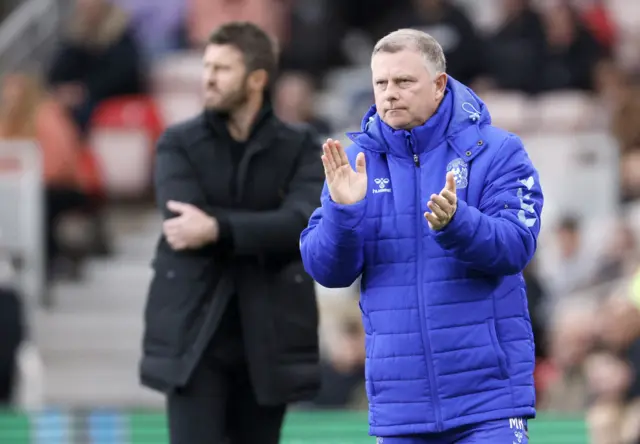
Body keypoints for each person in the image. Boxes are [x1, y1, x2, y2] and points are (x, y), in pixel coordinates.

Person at [300, 29, 544, 443]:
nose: (389, 93)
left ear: (438, 85)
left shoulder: (498, 151)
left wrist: (457, 225)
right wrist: (343, 214)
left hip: (488, 405)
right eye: (381, 83)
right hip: (400, 410)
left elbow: (516, 246)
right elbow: (328, 271)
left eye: (403, 81)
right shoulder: (357, 164)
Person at [139, 22, 323, 444]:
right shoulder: (177, 143)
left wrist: (218, 227)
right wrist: (263, 226)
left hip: (270, 335)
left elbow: (303, 223)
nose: (208, 77)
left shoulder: (301, 146)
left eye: (222, 68)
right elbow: (182, 225)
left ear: (257, 78)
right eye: (207, 66)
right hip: (193, 336)